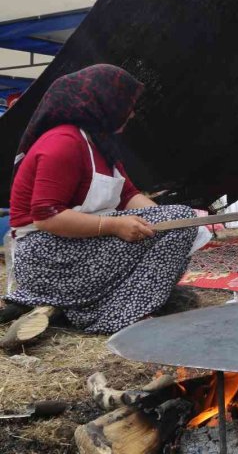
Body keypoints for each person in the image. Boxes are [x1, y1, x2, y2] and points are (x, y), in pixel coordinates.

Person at [2, 65, 200, 334]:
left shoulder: (100, 144)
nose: (131, 113)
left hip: (75, 246)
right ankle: (114, 315)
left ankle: (119, 304)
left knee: (181, 224)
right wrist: (113, 227)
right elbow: (47, 217)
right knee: (179, 221)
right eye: (126, 104)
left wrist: (163, 224)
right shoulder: (63, 143)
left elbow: (129, 196)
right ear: (105, 103)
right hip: (45, 256)